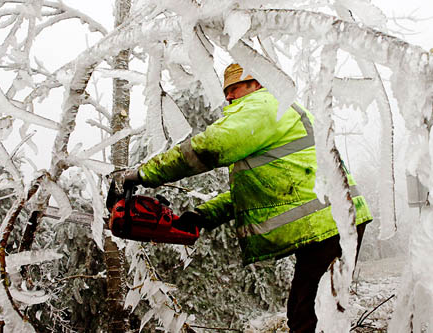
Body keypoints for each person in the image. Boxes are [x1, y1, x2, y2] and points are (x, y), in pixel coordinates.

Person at [124, 63, 372, 332]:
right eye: (226, 91)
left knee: (310, 314)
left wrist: (142, 174)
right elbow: (249, 192)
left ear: (256, 84)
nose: (229, 97)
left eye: (234, 88)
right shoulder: (272, 112)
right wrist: (202, 215)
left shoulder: (265, 104)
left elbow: (208, 147)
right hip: (330, 221)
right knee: (309, 310)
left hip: (329, 223)